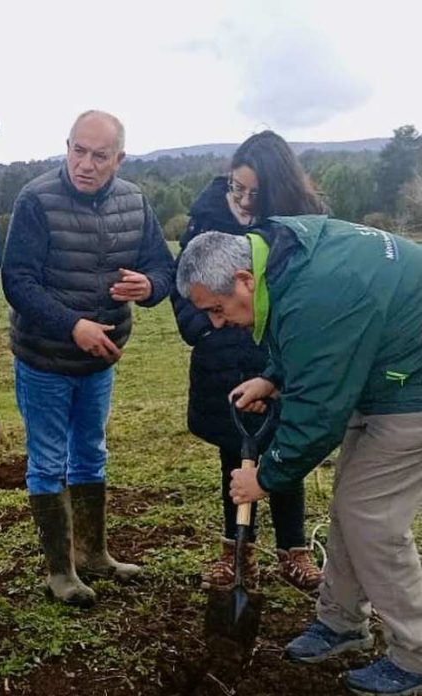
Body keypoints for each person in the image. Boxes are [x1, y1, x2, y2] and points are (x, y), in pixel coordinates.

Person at [177, 218, 422, 695]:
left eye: (219, 308)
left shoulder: (317, 292)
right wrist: (273, 376)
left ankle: (415, 656)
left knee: (370, 516)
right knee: (351, 507)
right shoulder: (279, 254)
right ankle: (342, 623)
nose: (218, 322)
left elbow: (317, 415)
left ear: (245, 280)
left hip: (412, 385)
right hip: (381, 367)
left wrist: (264, 478)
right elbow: (306, 340)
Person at [2, 110, 175, 607]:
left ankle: (94, 554)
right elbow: (18, 281)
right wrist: (71, 326)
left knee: (91, 453)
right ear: (67, 147)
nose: (86, 164)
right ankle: (61, 571)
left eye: (100, 156)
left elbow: (161, 266)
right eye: (78, 151)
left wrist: (150, 287)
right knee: (48, 460)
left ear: (119, 158)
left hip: (102, 358)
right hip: (45, 359)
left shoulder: (135, 201)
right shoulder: (36, 200)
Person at [170, 131, 326, 592]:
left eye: (254, 193)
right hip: (222, 361)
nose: (241, 199)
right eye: (236, 187)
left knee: (284, 450)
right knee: (234, 457)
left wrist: (273, 374)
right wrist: (206, 326)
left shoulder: (299, 225)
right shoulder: (205, 218)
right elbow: (186, 286)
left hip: (277, 358)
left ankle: (293, 547)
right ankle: (237, 550)